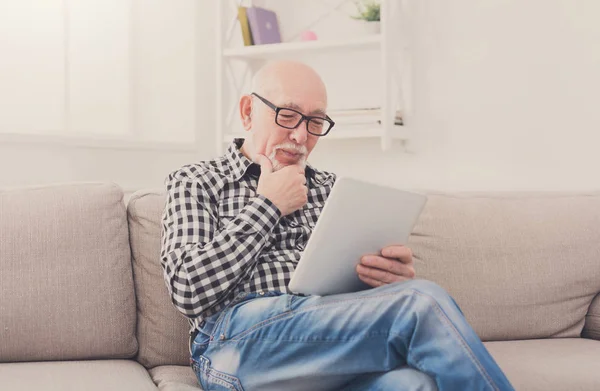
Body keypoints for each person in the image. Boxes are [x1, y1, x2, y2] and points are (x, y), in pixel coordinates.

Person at [160, 60, 514, 391]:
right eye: (287, 115)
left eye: (315, 122)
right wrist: (268, 205)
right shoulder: (198, 180)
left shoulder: (335, 190)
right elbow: (188, 289)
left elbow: (352, 299)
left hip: (332, 343)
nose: (301, 136)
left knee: (413, 384)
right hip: (233, 345)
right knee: (421, 302)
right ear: (248, 112)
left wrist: (387, 282)